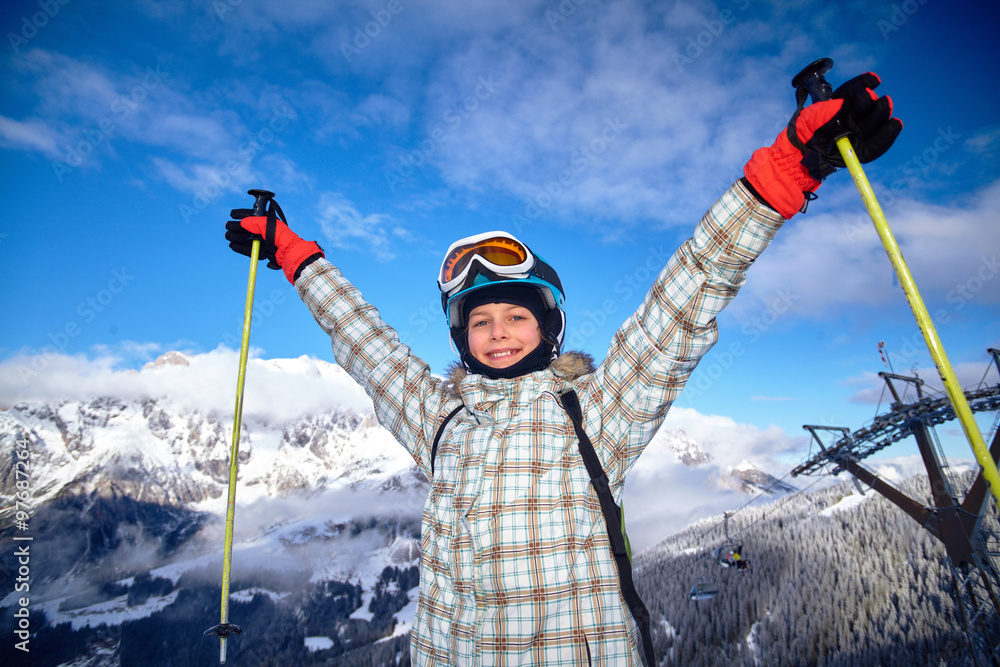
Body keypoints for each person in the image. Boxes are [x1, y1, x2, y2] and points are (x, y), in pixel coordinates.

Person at [225, 72, 901, 665]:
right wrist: (295, 255)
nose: (497, 334)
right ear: (462, 339)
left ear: (549, 329)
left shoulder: (597, 412)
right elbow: (364, 342)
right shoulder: (440, 419)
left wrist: (785, 170)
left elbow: (685, 300)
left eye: (517, 317)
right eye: (480, 321)